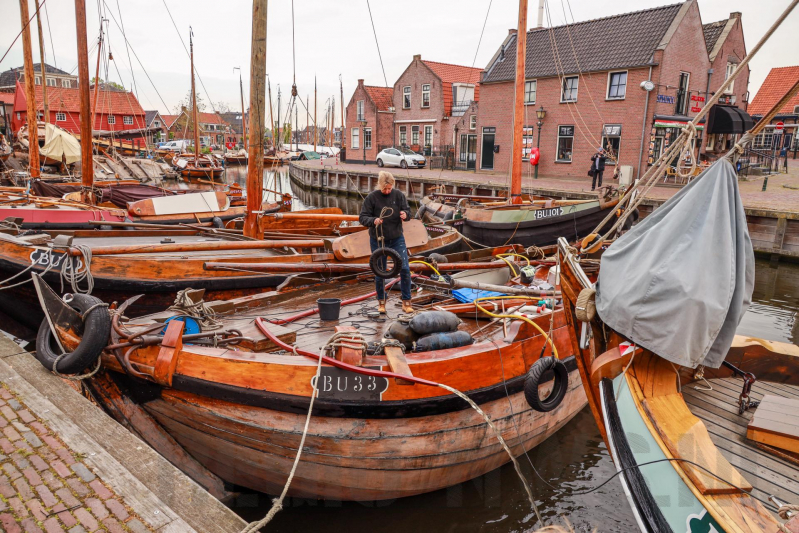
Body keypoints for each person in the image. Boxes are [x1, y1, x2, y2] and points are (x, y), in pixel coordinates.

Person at [359, 171, 413, 314]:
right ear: (379, 186)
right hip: (378, 238)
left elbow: (409, 211)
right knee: (380, 271)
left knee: (405, 269)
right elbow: (363, 217)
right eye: (385, 189)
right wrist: (373, 220)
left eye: (389, 188)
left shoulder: (398, 195)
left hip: (396, 238)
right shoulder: (372, 198)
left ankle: (406, 302)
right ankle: (381, 302)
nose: (387, 191)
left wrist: (405, 214)